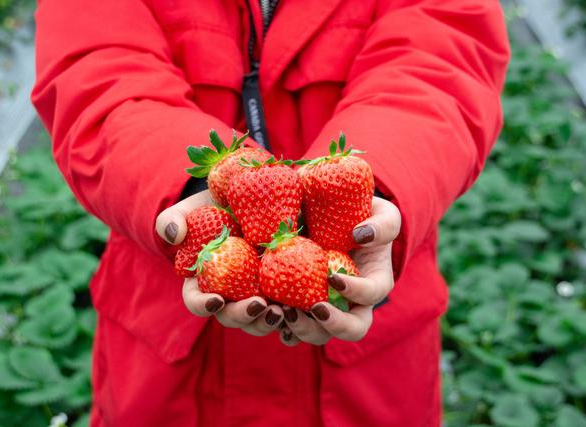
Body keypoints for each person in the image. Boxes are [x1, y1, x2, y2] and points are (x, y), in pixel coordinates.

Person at [32, 0, 509, 425]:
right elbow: (96, 76)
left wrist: (370, 189)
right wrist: (199, 185)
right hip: (169, 337)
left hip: (366, 338)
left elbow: (441, 67)